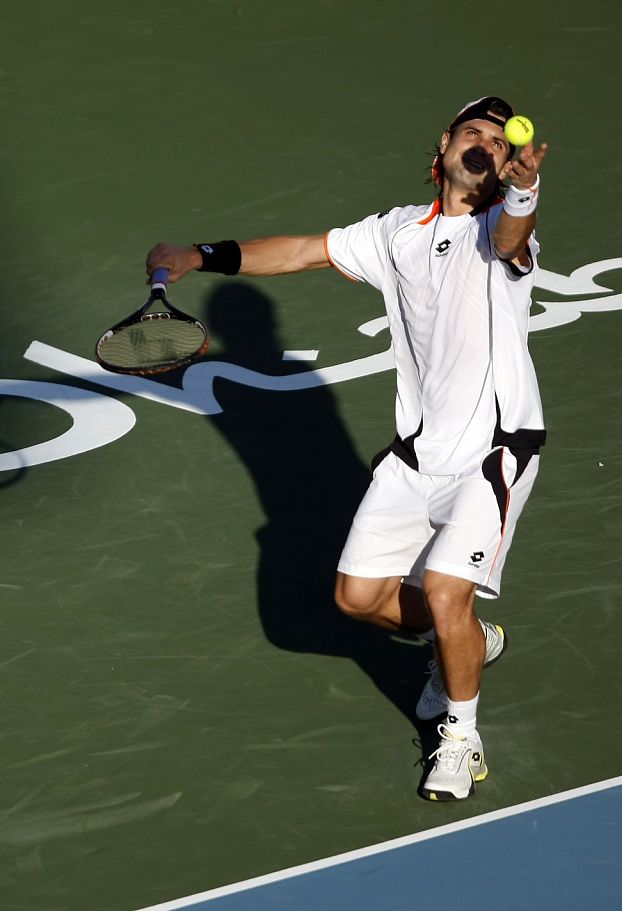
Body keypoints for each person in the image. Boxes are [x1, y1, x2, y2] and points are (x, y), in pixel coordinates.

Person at [146, 96, 548, 801]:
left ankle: (461, 736)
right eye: (473, 132)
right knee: (357, 597)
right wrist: (199, 256)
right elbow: (304, 251)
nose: (486, 143)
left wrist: (524, 191)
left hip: (493, 451)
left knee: (446, 590)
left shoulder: (498, 230)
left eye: (497, 139)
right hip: (417, 455)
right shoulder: (396, 233)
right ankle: (469, 641)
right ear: (443, 149)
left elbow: (516, 238)